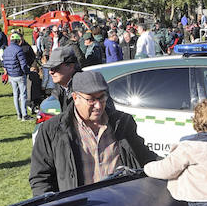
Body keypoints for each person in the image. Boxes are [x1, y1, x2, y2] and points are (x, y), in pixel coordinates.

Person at [29, 70, 157, 196]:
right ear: (75, 97)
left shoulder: (123, 122)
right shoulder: (52, 130)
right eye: (91, 100)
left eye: (102, 98)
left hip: (121, 205)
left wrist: (172, 163)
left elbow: (145, 158)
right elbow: (40, 178)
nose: (98, 106)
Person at [2, 31, 34, 122]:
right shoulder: (19, 50)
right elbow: (23, 64)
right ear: (17, 40)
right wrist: (26, 72)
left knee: (15, 95)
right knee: (23, 95)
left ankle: (19, 115)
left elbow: (4, 63)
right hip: (19, 75)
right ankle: (25, 115)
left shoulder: (6, 50)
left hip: (11, 75)